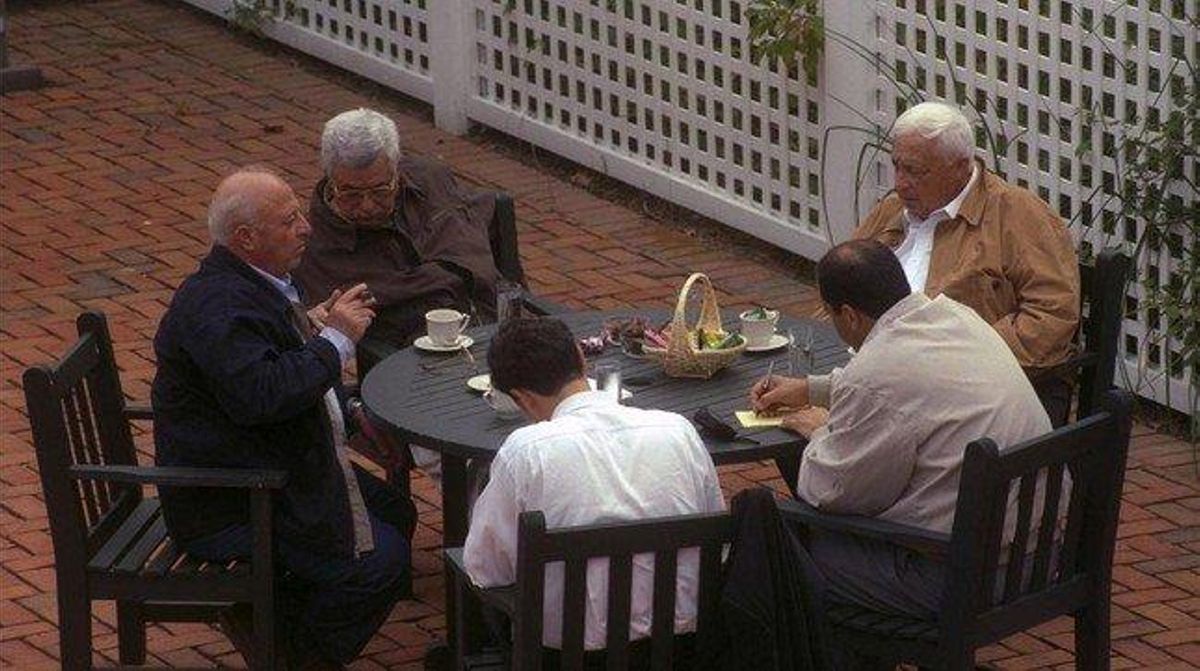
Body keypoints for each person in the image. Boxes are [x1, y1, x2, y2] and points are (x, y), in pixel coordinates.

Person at [152, 168, 415, 670]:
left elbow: (279, 367)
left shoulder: (252, 285)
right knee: (380, 564)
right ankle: (296, 657)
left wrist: (352, 415)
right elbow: (265, 395)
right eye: (289, 221)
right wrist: (335, 340)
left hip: (272, 463)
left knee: (396, 512)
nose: (306, 228)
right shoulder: (219, 307)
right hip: (233, 498)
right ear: (246, 238)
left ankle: (274, 624)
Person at [750, 240, 1051, 621]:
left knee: (779, 545)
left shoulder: (877, 375)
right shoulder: (956, 317)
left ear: (848, 315)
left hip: (964, 578)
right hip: (1041, 552)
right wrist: (813, 388)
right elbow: (915, 383)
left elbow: (834, 491)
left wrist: (819, 431)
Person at [463, 317, 726, 657]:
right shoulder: (678, 431)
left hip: (571, 655)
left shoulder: (526, 451)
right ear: (580, 357)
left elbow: (487, 569)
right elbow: (716, 545)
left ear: (521, 399)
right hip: (683, 649)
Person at [853, 101, 1080, 424]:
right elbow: (843, 282)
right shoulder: (892, 210)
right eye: (897, 166)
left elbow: (1050, 316)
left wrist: (958, 363)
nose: (900, 182)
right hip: (878, 377)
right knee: (792, 418)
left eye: (915, 171)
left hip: (970, 393)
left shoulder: (1017, 214)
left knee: (825, 440)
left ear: (961, 166)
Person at [294, 107, 500, 349]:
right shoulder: (315, 242)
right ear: (330, 179)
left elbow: (472, 259)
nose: (367, 205)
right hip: (414, 350)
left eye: (380, 190)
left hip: (490, 319)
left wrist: (393, 289)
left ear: (396, 169)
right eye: (351, 194)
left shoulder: (430, 179)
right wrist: (442, 277)